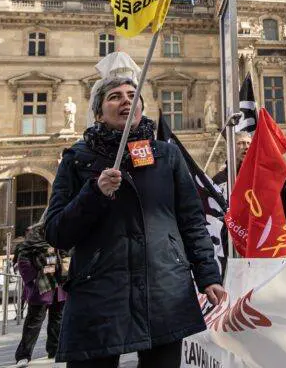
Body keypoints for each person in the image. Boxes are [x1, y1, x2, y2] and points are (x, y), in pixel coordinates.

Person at [45, 76, 225, 367]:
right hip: (100, 292)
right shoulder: (77, 159)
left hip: (163, 289)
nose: (126, 100)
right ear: (99, 112)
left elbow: (191, 221)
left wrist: (208, 275)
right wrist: (95, 193)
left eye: (133, 95)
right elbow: (56, 232)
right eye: (115, 96)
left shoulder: (166, 155)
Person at [13, 224, 67, 367]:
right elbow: (23, 264)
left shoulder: (59, 242)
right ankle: (23, 355)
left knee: (57, 320)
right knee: (33, 322)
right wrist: (37, 277)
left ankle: (54, 349)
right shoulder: (29, 246)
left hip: (58, 287)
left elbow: (67, 256)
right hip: (40, 289)